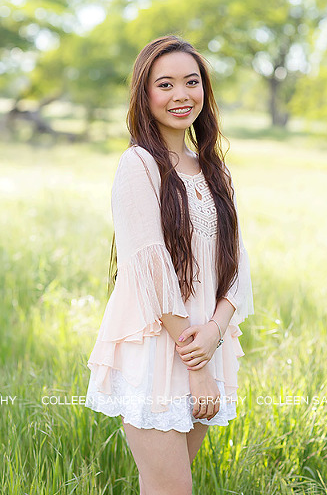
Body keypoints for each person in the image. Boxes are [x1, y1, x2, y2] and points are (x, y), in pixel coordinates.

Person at [84, 35, 253, 494]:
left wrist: (215, 334)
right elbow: (148, 267)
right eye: (166, 84)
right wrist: (196, 363)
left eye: (191, 82)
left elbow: (236, 265)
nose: (181, 95)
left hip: (204, 343)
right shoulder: (138, 164)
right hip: (159, 346)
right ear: (146, 93)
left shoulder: (214, 170)